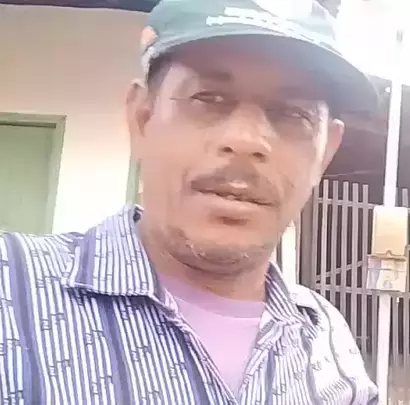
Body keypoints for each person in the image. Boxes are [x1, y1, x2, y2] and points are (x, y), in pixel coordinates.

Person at [0, 0, 379, 404]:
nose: (246, 141)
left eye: (292, 114)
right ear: (143, 118)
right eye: (208, 98)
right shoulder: (11, 291)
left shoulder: (325, 336)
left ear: (326, 152)